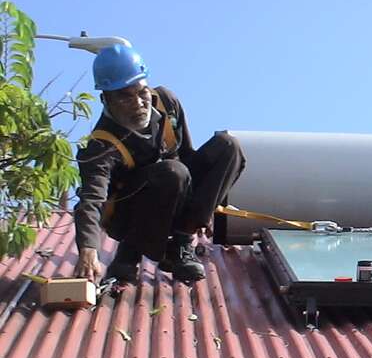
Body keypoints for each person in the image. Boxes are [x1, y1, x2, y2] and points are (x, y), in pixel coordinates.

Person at [73, 44, 245, 284]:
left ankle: (181, 244)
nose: (138, 103)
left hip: (176, 191)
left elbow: (187, 154)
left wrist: (204, 208)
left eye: (141, 92)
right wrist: (88, 249)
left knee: (228, 146)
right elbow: (91, 201)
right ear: (106, 99)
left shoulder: (166, 102)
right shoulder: (102, 145)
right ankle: (128, 254)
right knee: (172, 172)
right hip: (130, 216)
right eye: (124, 96)